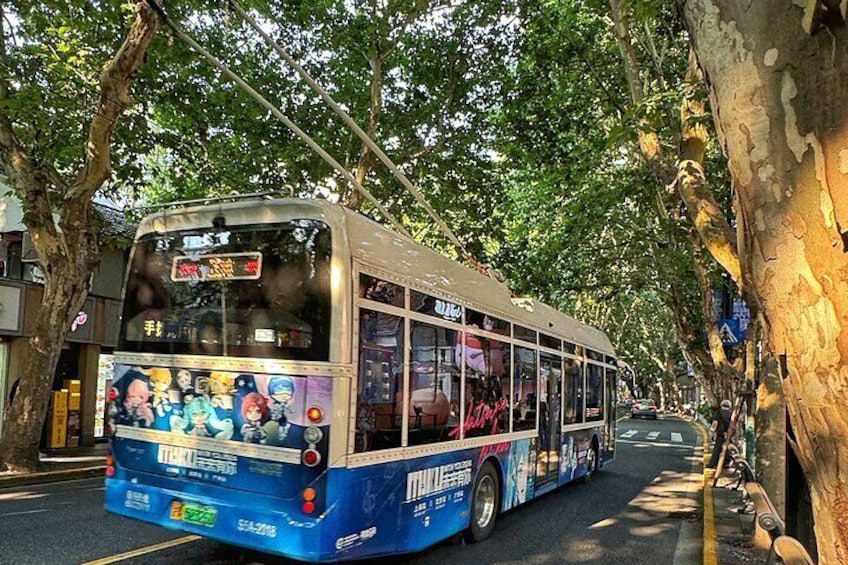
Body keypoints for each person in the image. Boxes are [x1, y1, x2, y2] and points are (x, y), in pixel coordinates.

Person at [707, 399, 732, 468]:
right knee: (726, 448)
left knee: (717, 448)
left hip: (720, 433)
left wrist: (712, 431)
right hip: (728, 433)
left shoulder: (718, 413)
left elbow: (715, 423)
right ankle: (726, 462)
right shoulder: (731, 413)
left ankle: (712, 463)